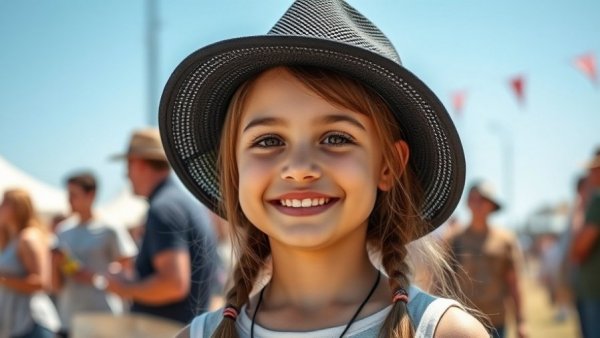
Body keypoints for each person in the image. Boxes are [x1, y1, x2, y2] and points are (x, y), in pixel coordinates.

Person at [158, 1, 488, 337]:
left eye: (335, 138)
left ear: (389, 165)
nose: (299, 169)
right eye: (269, 141)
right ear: (234, 168)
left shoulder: (443, 331)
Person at [105, 128, 219, 324]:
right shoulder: (179, 203)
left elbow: (173, 284)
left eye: (128, 164)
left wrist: (123, 287)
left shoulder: (163, 208)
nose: (126, 174)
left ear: (140, 163)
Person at [52, 172, 138, 337]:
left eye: (74, 195)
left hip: (103, 317)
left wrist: (95, 277)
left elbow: (128, 270)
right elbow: (56, 284)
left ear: (90, 195)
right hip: (69, 319)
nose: (69, 200)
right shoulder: (63, 231)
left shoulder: (110, 228)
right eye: (68, 194)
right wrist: (56, 263)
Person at [448, 181, 526, 338]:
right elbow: (442, 282)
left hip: (496, 321)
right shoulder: (454, 239)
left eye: (482, 200)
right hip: (463, 321)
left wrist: (521, 321)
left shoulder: (505, 240)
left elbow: (514, 283)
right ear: (467, 203)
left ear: (491, 205)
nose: (477, 204)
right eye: (473, 199)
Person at [0, 189, 60, 338]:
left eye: (4, 203)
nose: (0, 207)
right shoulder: (12, 240)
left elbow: (41, 283)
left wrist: (3, 279)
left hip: (33, 324)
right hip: (17, 324)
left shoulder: (28, 238)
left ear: (17, 208)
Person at [570, 150, 600, 338]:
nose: (589, 175)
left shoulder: (597, 201)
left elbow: (578, 249)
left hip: (594, 290)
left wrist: (581, 207)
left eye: (593, 170)